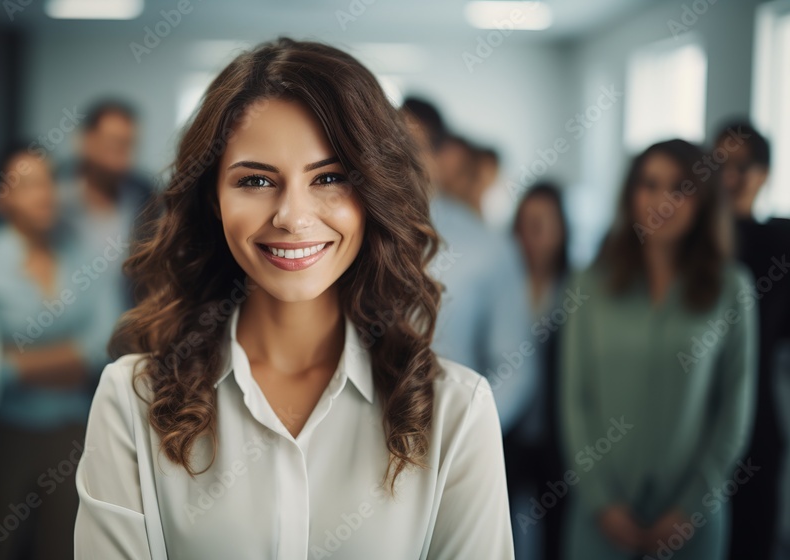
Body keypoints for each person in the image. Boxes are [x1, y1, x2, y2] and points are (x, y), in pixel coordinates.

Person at [73, 37, 514, 559]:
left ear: (373, 195)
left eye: (329, 178)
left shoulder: (458, 411)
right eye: (256, 180)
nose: (292, 216)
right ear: (213, 198)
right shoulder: (132, 399)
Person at [559, 139, 757, 560]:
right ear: (631, 193)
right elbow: (576, 399)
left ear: (703, 200)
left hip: (693, 521)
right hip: (601, 519)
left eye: (680, 187)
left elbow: (734, 408)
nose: (662, 200)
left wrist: (691, 506)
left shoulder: (732, 290)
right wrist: (600, 500)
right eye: (649, 184)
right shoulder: (589, 285)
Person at [0, 144, 123, 560]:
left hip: (76, 429)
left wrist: (17, 360)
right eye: (29, 184)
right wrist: (66, 361)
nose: (46, 193)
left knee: (69, 545)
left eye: (50, 180)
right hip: (4, 430)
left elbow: (105, 345)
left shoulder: (84, 255)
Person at [402, 100, 538, 436]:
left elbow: (515, 367)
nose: (396, 160)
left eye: (411, 146)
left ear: (438, 157)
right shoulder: (344, 235)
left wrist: (467, 438)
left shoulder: (488, 247)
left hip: (453, 438)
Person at [713, 120, 790, 560]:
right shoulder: (687, 242)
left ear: (764, 173)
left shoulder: (781, 244)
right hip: (692, 418)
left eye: (744, 165)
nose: (730, 176)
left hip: (758, 425)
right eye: (720, 164)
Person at [509, 183, 571, 560]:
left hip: (559, 433)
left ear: (562, 229)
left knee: (557, 533)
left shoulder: (577, 288)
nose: (531, 235)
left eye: (542, 224)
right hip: (510, 430)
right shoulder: (503, 283)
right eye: (524, 224)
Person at [58, 99, 158, 310]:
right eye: (114, 143)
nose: (123, 156)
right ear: (85, 140)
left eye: (130, 144)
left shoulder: (144, 196)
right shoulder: (54, 196)